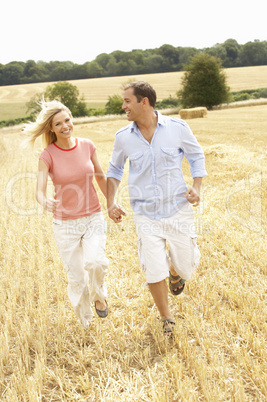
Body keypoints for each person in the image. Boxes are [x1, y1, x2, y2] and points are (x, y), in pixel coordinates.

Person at [107, 81, 207, 336]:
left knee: (186, 267)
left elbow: (196, 156)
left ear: (144, 102)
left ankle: (176, 271)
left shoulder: (177, 128)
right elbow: (115, 170)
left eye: (127, 101)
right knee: (153, 269)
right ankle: (166, 318)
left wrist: (197, 186)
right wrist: (111, 201)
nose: (123, 106)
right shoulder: (122, 138)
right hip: (144, 213)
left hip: (177, 208)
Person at [23, 100, 109, 329]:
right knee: (77, 278)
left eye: (67, 120)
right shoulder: (47, 155)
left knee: (96, 262)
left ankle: (99, 296)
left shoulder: (87, 146)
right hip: (65, 224)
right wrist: (44, 201)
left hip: (93, 217)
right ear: (51, 128)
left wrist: (112, 202)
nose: (64, 126)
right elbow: (39, 191)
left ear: (72, 119)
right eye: (58, 123)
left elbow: (100, 177)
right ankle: (85, 321)